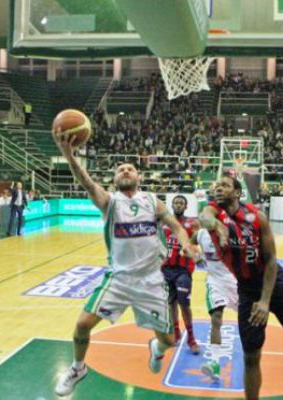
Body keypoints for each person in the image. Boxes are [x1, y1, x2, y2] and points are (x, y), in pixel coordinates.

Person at [52, 126, 197, 397]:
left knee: (168, 340)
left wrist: (186, 242)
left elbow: (174, 225)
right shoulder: (109, 202)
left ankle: (156, 349)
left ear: (139, 176)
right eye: (120, 169)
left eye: (130, 168)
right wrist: (70, 156)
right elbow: (85, 180)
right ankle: (78, 367)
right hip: (118, 278)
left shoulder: (151, 201)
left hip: (152, 281)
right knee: (82, 325)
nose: (126, 171)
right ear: (115, 180)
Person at [199, 175, 283, 400]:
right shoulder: (213, 211)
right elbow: (204, 217)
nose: (218, 189)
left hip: (275, 283)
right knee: (251, 355)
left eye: (224, 185)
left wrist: (264, 301)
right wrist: (217, 226)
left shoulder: (256, 218)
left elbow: (271, 260)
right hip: (247, 290)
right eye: (216, 186)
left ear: (237, 193)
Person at [192, 227, 239, 380]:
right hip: (215, 282)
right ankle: (215, 362)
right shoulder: (200, 234)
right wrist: (195, 255)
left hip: (234, 281)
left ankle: (252, 351)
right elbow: (187, 243)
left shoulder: (231, 231)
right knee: (216, 318)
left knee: (248, 318)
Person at [162, 195, 200, 353]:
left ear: (186, 206)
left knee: (184, 302)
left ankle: (191, 338)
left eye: (181, 203)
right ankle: (176, 331)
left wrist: (194, 253)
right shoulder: (164, 223)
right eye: (176, 203)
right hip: (165, 269)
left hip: (184, 270)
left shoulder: (192, 223)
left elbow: (198, 243)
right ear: (172, 205)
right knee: (171, 302)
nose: (178, 205)